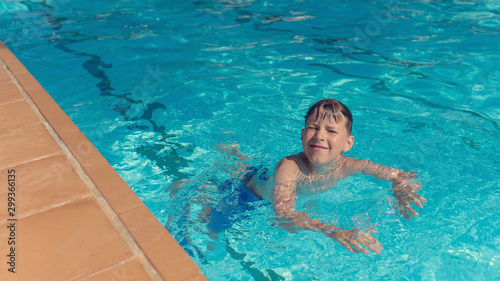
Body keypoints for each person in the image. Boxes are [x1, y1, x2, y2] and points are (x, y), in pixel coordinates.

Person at [244, 98, 427, 255]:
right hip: (250, 199)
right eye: (313, 128)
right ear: (302, 135)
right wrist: (332, 231)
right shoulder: (290, 167)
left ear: (348, 143)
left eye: (331, 131)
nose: (320, 136)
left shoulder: (351, 165)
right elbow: (283, 214)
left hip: (301, 196)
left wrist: (402, 191)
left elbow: (402, 175)